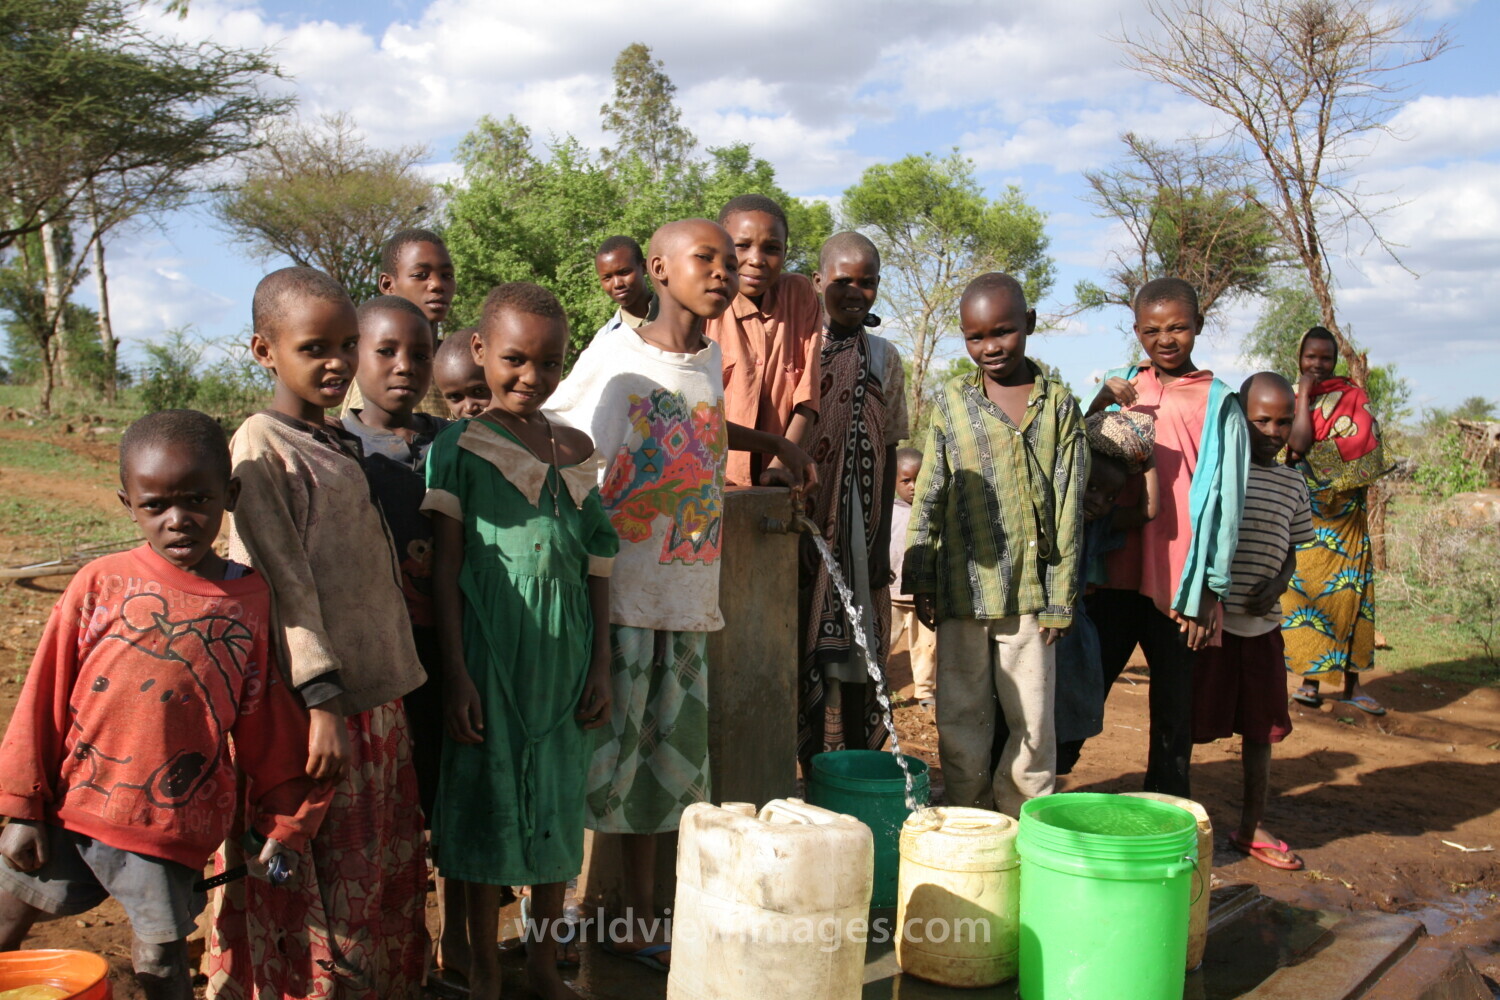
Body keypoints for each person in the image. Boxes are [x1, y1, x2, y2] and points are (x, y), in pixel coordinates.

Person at [549, 218, 815, 972]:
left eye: (730, 262)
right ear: (659, 269)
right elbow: (565, 437)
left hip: (688, 603)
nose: (725, 271)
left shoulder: (703, 359)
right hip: (623, 602)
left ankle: (644, 921)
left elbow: (699, 425)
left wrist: (775, 445)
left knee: (668, 777)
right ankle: (567, 912)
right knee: (604, 770)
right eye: (708, 258)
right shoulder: (615, 358)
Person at [0, 410, 327, 1000]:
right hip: (72, 811)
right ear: (128, 503)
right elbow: (43, 697)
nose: (179, 521)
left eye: (198, 500)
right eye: (155, 506)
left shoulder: (248, 601)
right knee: (5, 918)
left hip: (169, 823)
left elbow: (265, 723)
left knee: (161, 959)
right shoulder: (100, 584)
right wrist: (23, 806)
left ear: (230, 494)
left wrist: (285, 820)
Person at [205, 267, 429, 1000]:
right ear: (264, 351)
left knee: (377, 878)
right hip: (318, 716)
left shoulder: (328, 438)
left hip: (377, 699)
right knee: (320, 885)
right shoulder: (261, 449)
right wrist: (323, 702)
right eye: (313, 348)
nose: (336, 362)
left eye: (345, 345)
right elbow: (285, 587)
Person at [423, 282, 618, 1000]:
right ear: (479, 351)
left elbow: (598, 558)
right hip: (492, 654)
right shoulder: (459, 448)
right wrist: (458, 675)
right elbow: (446, 569)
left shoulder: (574, 447)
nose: (531, 379)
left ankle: (539, 965)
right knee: (483, 809)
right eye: (513, 361)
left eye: (549, 363)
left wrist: (600, 661)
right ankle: (481, 973)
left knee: (555, 810)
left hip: (565, 658)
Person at [904, 272, 1086, 818]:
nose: (989, 348)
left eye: (1002, 333)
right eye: (975, 337)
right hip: (962, 591)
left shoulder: (1058, 406)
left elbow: (1070, 503)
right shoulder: (952, 404)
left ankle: (1024, 826)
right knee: (960, 719)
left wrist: (1061, 596)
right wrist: (922, 577)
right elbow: (930, 490)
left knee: (1032, 725)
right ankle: (969, 818)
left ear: (1028, 326)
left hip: (1031, 596)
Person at [339, 294, 468, 985]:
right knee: (381, 817)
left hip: (442, 656)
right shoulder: (337, 448)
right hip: (372, 668)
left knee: (444, 804)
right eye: (385, 351)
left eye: (419, 353)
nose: (404, 366)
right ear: (354, 355)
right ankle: (381, 957)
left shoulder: (450, 442)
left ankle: (446, 952)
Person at [1083, 277, 1248, 798]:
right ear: (1137, 331)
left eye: (1177, 327)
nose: (1166, 339)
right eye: (1152, 330)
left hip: (1180, 583)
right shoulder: (1123, 383)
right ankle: (1040, 792)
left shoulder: (1220, 401)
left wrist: (1210, 590)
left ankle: (1167, 814)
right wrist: (1097, 399)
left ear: (1197, 326)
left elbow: (1228, 502)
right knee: (1083, 687)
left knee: (1174, 711)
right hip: (1114, 571)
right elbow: (1077, 450)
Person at [1195, 373, 1312, 871]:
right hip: (1211, 627)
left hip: (1263, 627)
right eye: (1261, 419)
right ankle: (1174, 824)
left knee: (1260, 734)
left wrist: (1280, 582)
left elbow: (1291, 549)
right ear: (1240, 418)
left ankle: (1249, 827)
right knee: (1187, 725)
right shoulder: (1221, 474)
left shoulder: (1292, 482)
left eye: (1284, 421)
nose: (1273, 430)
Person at [800, 231, 908, 760]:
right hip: (802, 527)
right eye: (842, 280)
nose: (854, 291)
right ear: (817, 281)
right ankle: (802, 763)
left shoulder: (886, 357)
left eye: (866, 282)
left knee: (856, 653)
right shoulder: (797, 346)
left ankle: (845, 767)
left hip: (860, 536)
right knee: (797, 645)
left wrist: (881, 538)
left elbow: (888, 453)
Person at [1283, 327, 1387, 715]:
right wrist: (1306, 396)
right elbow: (1291, 448)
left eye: (1325, 358)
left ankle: (1353, 685)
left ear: (1335, 361)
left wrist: (1314, 460)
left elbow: (1366, 455)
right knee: (1308, 598)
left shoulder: (1353, 397)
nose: (1318, 364)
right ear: (1300, 358)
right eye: (1311, 357)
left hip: (1346, 520)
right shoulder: (1290, 398)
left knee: (1353, 597)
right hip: (1305, 519)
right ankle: (1309, 682)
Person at [705, 194, 822, 487]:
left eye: (771, 248)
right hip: (710, 478)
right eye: (742, 245)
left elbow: (806, 395)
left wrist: (782, 461)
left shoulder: (799, 295)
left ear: (785, 252)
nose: (756, 260)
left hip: (779, 483)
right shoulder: (704, 302)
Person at [345, 229, 458, 418]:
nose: (437, 284)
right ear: (388, 285)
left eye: (447, 275)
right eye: (420, 275)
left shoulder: (458, 359)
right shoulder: (375, 365)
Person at [889, 447, 935, 713]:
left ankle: (924, 691)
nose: (914, 487)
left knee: (926, 649)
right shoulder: (888, 513)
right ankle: (874, 687)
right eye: (906, 480)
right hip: (892, 595)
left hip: (923, 597)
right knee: (882, 644)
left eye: (920, 479)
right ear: (894, 481)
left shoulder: (932, 513)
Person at [593, 235, 658, 339]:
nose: (617, 284)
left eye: (624, 272)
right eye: (607, 278)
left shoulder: (680, 315)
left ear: (644, 267)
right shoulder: (605, 338)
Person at [433, 328, 492, 420]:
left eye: (479, 391)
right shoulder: (452, 434)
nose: (469, 408)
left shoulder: (519, 430)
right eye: (455, 396)